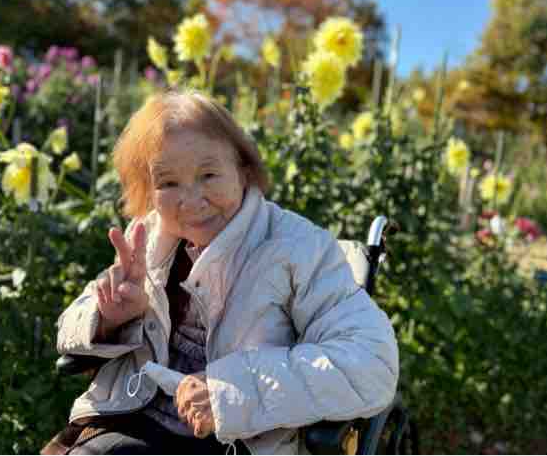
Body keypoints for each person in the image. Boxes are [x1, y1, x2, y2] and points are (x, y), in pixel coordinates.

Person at [47, 89, 399, 455]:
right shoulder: (148, 237)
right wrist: (110, 318)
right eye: (168, 183)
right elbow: (69, 326)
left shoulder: (301, 249)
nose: (191, 200)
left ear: (244, 170)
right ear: (148, 190)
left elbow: (372, 364)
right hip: (133, 419)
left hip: (240, 441)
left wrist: (230, 392)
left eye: (209, 174)